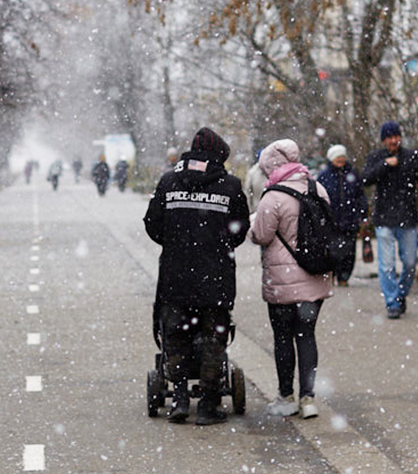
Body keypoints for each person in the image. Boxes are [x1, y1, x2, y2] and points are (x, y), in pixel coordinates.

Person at [143, 127, 250, 425]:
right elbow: (240, 230)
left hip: (176, 276)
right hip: (215, 278)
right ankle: (208, 403)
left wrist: (177, 243)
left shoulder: (169, 181)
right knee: (214, 338)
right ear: (219, 156)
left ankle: (178, 397)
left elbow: (152, 224)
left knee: (175, 335)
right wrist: (216, 245)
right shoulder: (230, 186)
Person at [250, 139, 334, 419]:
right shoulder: (318, 188)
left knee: (283, 338)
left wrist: (252, 223)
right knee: (307, 336)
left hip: (282, 280)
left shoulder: (272, 197)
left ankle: (286, 397)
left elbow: (260, 235)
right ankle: (308, 399)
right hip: (315, 276)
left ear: (272, 167)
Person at [361, 121, 418, 319]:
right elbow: (365, 179)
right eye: (389, 137)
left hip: (408, 218)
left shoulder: (412, 157)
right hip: (384, 218)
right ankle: (392, 302)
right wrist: (385, 165)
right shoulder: (376, 157)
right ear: (383, 140)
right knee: (387, 265)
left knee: (410, 263)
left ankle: (401, 294)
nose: (394, 141)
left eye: (396, 136)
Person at [315, 144, 367, 286]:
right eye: (338, 158)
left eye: (342, 157)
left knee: (349, 251)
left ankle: (344, 277)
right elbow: (319, 198)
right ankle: (332, 274)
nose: (341, 160)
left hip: (350, 219)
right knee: (332, 250)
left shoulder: (352, 174)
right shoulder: (324, 176)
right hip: (332, 220)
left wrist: (363, 213)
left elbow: (360, 195)